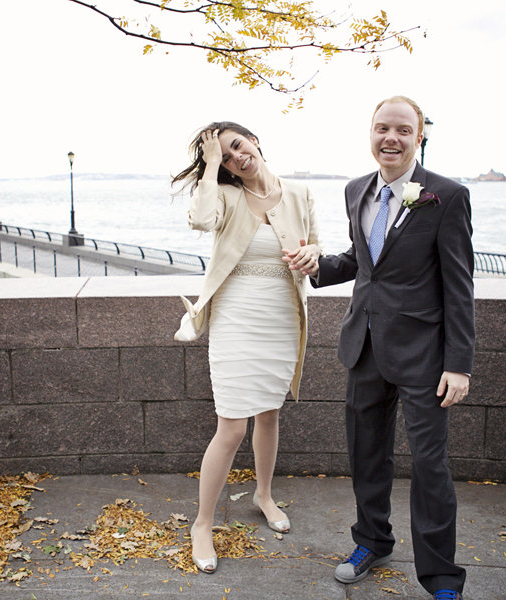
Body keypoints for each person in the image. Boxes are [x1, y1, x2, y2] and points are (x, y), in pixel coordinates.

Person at [292, 96, 474, 600]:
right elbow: (362, 259)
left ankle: (441, 577)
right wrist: (318, 267)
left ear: (420, 137)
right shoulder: (356, 190)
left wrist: (458, 364)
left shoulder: (447, 196)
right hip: (364, 347)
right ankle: (371, 541)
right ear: (370, 134)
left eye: (402, 130)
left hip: (424, 355)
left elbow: (459, 286)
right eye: (381, 129)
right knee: (366, 454)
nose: (390, 138)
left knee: (430, 466)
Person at [172, 121, 321, 574]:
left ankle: (263, 495)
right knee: (232, 425)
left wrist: (313, 254)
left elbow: (316, 249)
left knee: (270, 414)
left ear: (255, 140)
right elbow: (199, 219)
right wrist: (211, 163)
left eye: (237, 145)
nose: (238, 157)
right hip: (236, 317)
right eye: (227, 157)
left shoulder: (300, 194)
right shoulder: (227, 195)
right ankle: (202, 523)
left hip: (281, 317)